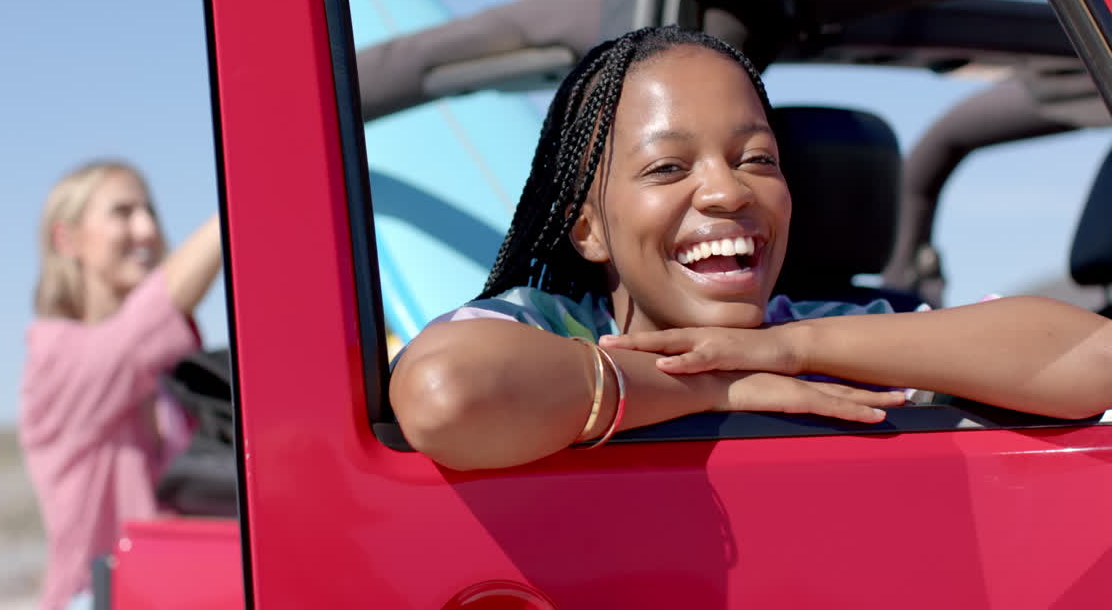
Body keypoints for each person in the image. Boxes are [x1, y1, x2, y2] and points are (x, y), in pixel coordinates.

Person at [390, 26, 1112, 472]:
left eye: (757, 160)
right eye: (668, 168)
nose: (727, 193)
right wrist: (712, 385)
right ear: (589, 230)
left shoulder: (829, 331)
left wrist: (787, 351)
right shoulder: (544, 327)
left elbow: (1094, 362)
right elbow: (446, 397)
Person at [20, 160, 222, 610]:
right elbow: (137, 334)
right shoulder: (54, 358)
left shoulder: (166, 378)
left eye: (150, 212)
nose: (147, 228)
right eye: (123, 212)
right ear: (66, 239)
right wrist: (239, 205)